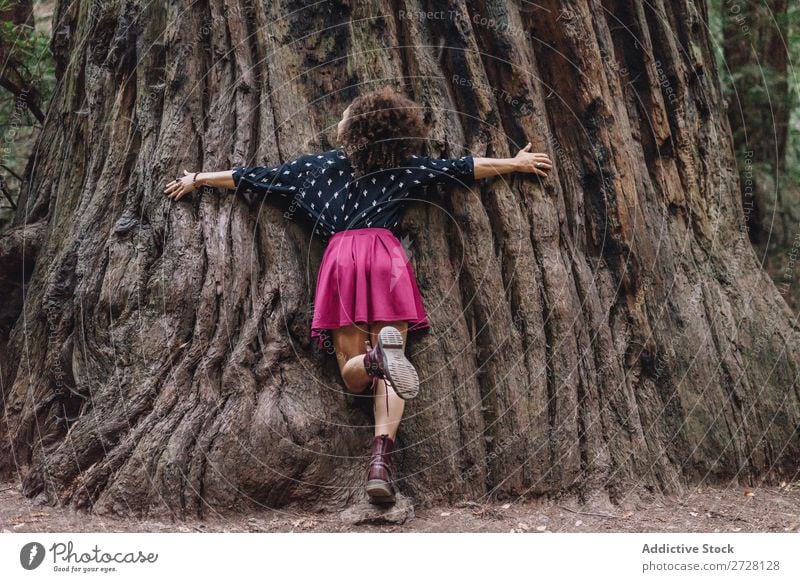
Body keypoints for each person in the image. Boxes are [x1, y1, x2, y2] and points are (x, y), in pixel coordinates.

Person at [163, 85, 553, 504]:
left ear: (354, 131)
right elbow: (459, 168)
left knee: (353, 372)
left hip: (342, 262)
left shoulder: (312, 168)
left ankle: (372, 359)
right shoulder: (403, 169)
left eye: (345, 116)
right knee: (393, 373)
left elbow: (251, 177)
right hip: (387, 260)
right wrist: (515, 164)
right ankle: (380, 462)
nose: (339, 119)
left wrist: (199, 178)